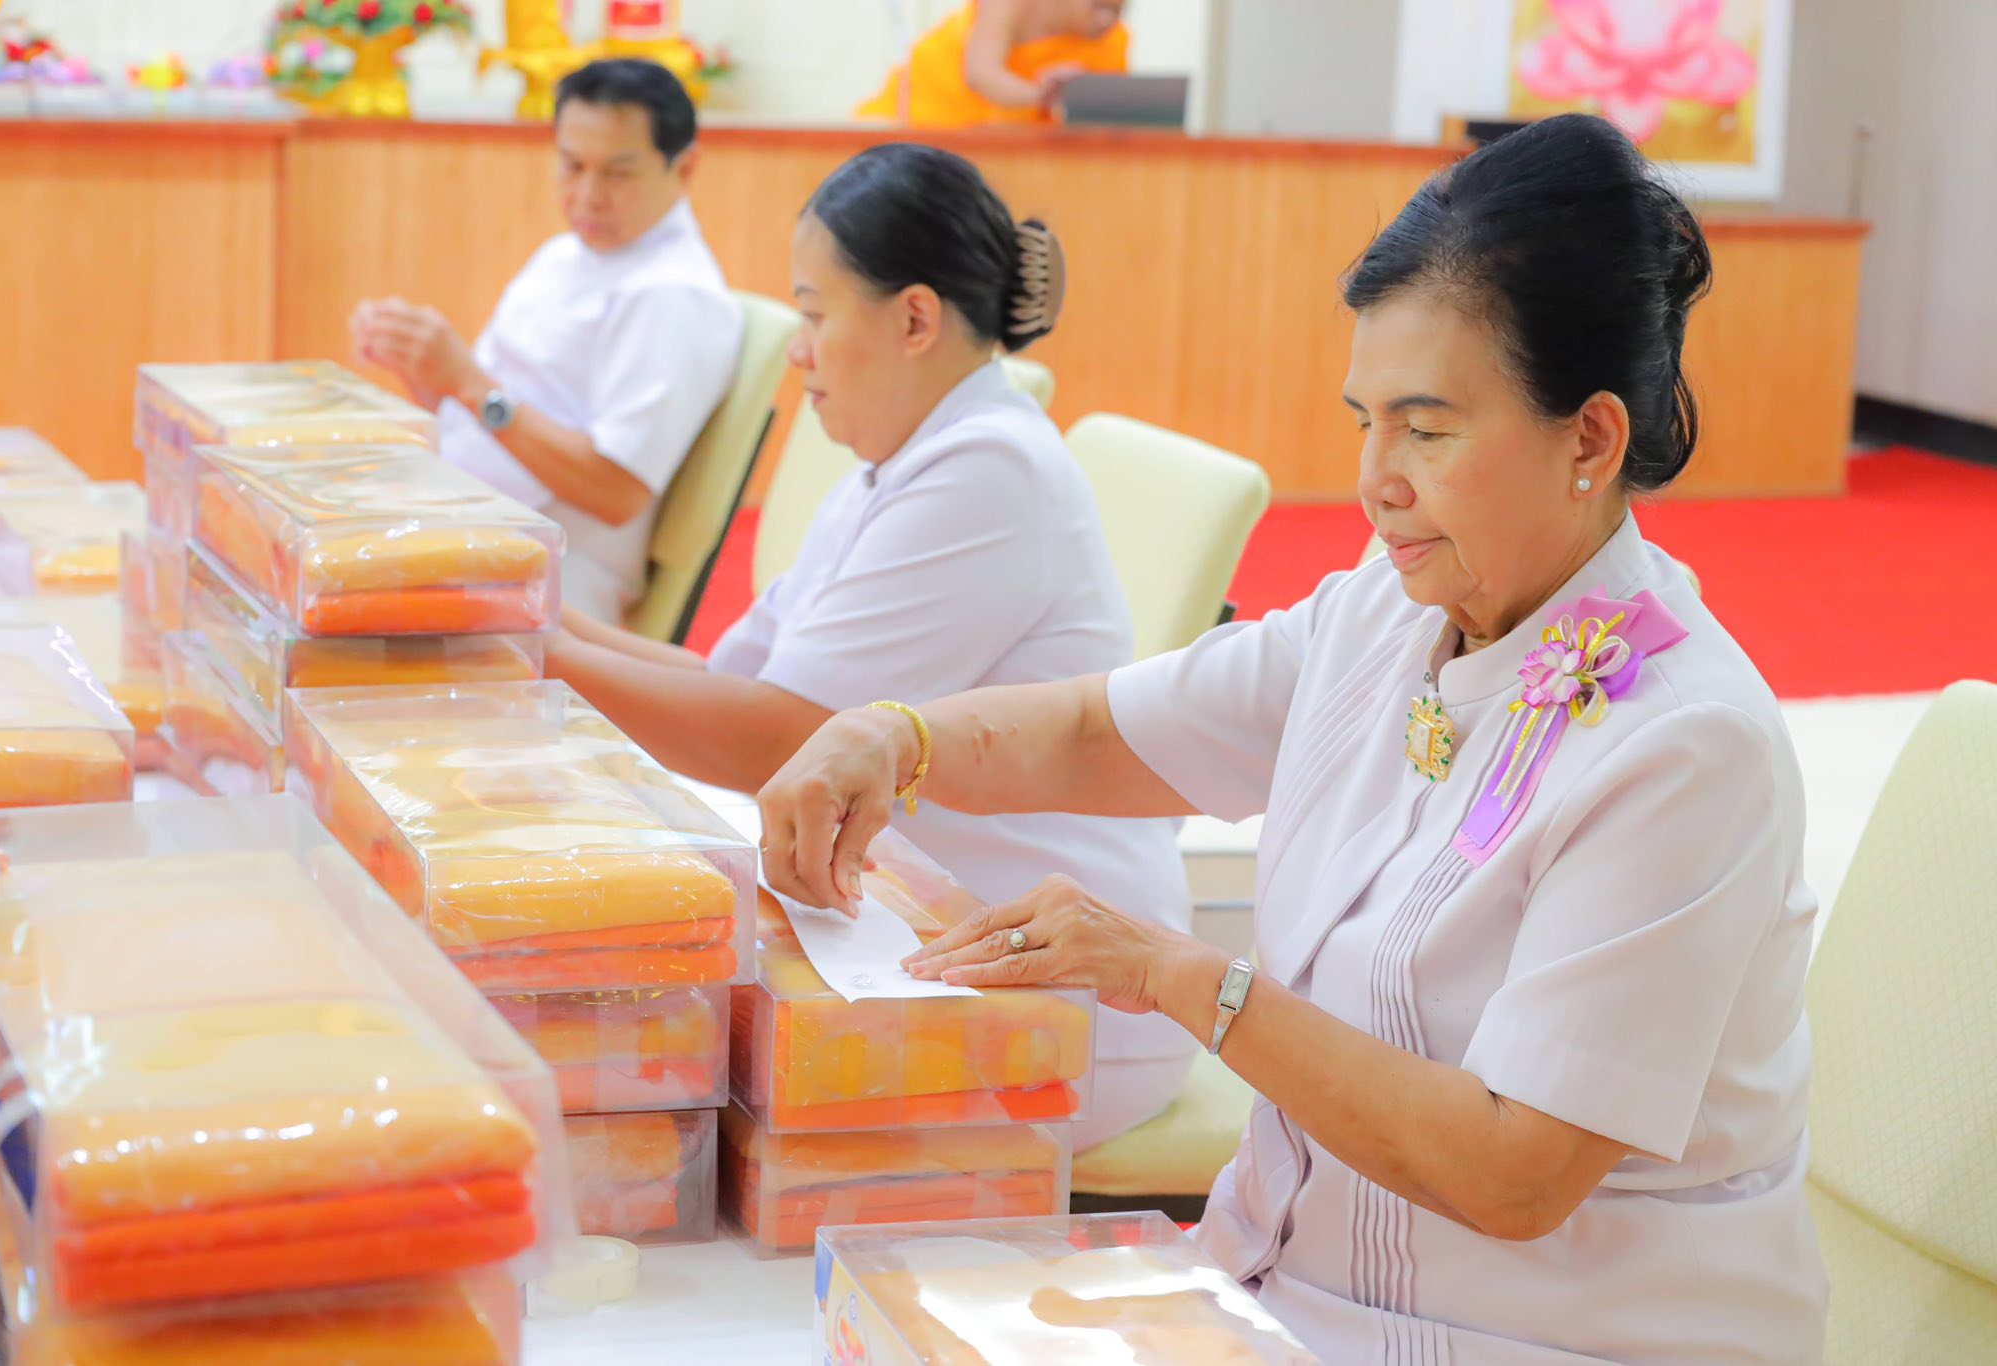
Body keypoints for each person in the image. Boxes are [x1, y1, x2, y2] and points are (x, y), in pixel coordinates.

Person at [758, 114, 1829, 1362]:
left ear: (1588, 438)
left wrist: (1180, 978)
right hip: (1274, 1284)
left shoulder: (1682, 747)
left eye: (1426, 431)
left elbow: (1511, 1173)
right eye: (1363, 419)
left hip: (1534, 1336)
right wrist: (892, 735)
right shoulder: (1385, 610)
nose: (1375, 477)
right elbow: (1105, 729)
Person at [547, 142, 1196, 1146]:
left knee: (633, 1077)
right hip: (923, 932)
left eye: (812, 314)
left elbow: (778, 740)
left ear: (912, 318)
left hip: (1058, 994)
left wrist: (534, 647)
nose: (797, 352)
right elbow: (725, 685)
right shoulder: (897, 466)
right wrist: (536, 606)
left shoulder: (988, 470)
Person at [352, 59, 742, 621]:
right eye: (572, 165)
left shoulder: (674, 295)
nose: (587, 194)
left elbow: (616, 490)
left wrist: (466, 381)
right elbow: (484, 415)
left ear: (684, 170)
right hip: (473, 519)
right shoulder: (563, 256)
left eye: (618, 172)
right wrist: (421, 365)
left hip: (551, 567)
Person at [856, 0, 1128, 129]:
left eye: (1117, 11)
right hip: (928, 116)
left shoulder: (1112, 39)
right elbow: (981, 74)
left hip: (1021, 147)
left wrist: (1079, 92)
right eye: (1098, 8)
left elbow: (1106, 120)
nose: (1107, 22)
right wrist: (1042, 95)